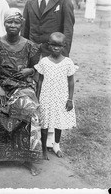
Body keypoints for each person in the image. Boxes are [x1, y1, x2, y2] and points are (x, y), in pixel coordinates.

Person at [0, 8, 42, 176]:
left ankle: (29, 158)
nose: (13, 25)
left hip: (21, 87)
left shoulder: (31, 46)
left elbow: (36, 69)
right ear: (4, 24)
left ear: (21, 24)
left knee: (31, 109)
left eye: (16, 22)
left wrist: (29, 71)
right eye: (9, 21)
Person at [34, 32, 76, 160]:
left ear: (64, 46)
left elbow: (71, 81)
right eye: (53, 45)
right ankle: (43, 149)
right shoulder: (44, 61)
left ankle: (56, 145)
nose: (56, 48)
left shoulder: (68, 62)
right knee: (45, 123)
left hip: (61, 97)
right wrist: (37, 97)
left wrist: (70, 99)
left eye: (59, 46)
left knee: (59, 122)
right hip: (46, 96)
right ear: (48, 46)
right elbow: (40, 80)